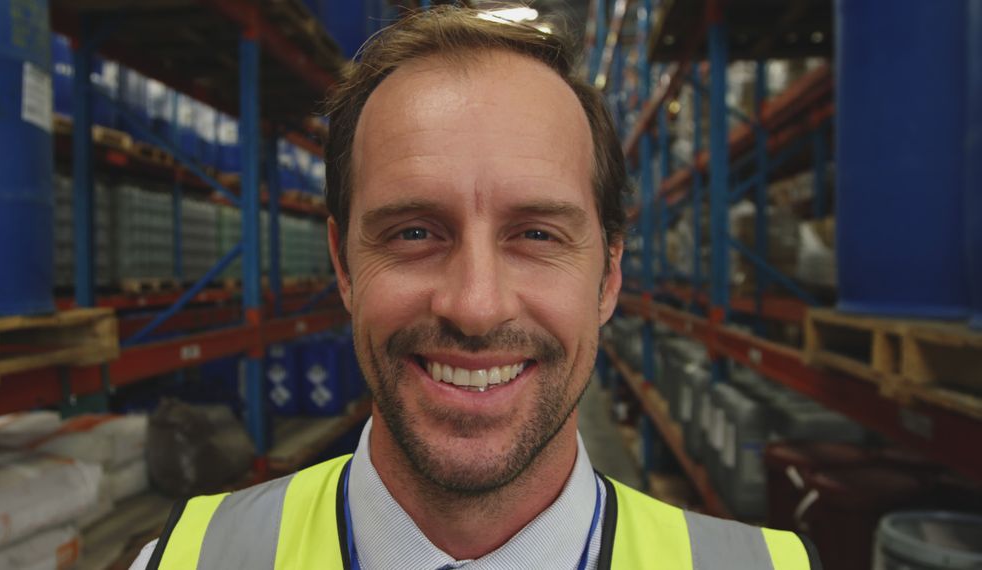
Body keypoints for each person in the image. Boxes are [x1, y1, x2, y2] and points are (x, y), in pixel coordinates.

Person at [132, 6, 820, 569]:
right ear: (344, 267)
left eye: (538, 235)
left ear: (608, 277)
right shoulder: (186, 561)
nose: (476, 305)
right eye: (414, 233)